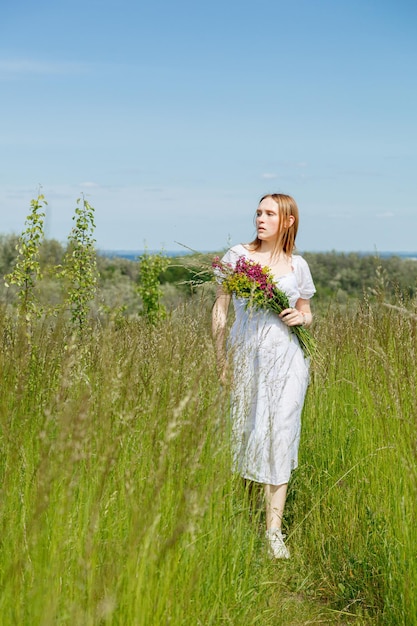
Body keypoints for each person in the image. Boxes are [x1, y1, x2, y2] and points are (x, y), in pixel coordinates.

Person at [212, 193, 316, 559]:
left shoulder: (297, 265)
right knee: (246, 432)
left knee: (282, 434)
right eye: (258, 212)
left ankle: (274, 532)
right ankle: (242, 515)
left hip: (288, 359)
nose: (260, 218)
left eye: (270, 213)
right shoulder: (237, 257)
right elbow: (221, 308)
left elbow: (306, 309)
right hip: (246, 357)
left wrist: (300, 319)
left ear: (287, 221)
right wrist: (220, 358)